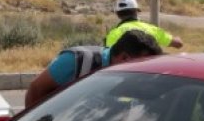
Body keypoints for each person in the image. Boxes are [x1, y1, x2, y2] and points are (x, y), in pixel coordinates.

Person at [24, 29, 164, 109]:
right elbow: (36, 89)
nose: (143, 70)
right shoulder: (76, 60)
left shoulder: (129, 79)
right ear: (124, 58)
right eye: (141, 63)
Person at [106, 0, 181, 50]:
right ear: (136, 11)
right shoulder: (151, 29)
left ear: (118, 14)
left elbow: (108, 57)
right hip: (148, 67)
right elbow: (178, 44)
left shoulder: (113, 34)